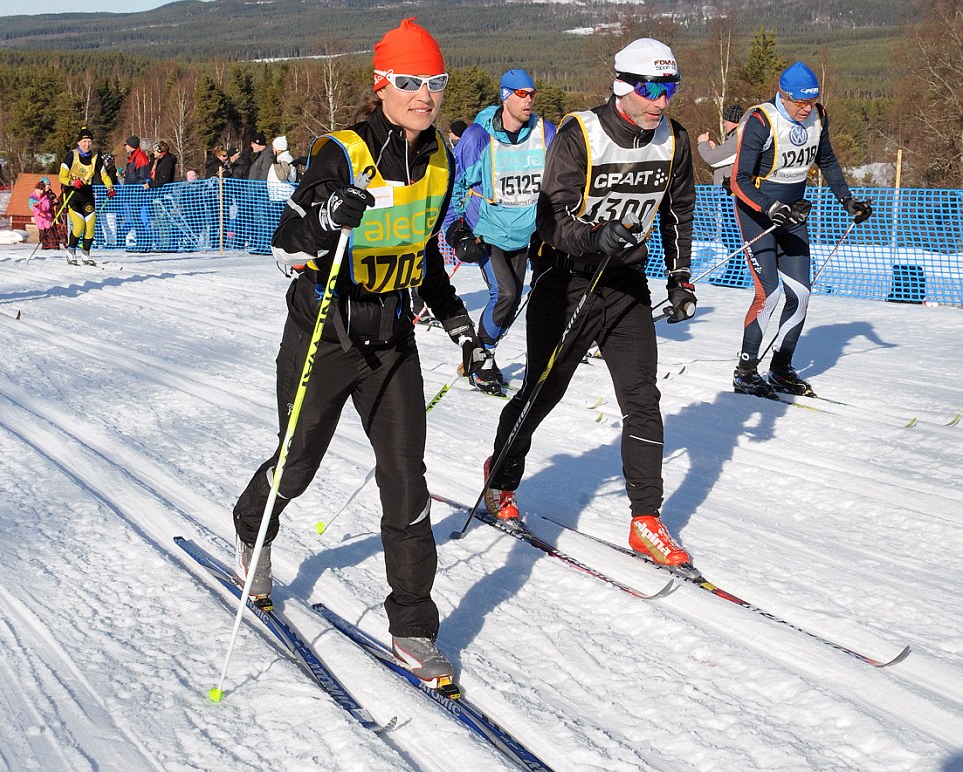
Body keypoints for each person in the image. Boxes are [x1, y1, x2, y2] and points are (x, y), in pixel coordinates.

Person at [232, 17, 487, 690]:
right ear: (382, 86)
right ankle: (251, 529)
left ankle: (412, 626)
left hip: (393, 337)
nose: (424, 95)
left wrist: (463, 328)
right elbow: (286, 245)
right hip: (328, 331)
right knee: (298, 463)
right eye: (409, 82)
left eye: (435, 82)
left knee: (406, 481)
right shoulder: (341, 153)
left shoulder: (441, 158)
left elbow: (426, 257)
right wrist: (324, 219)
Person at [482, 38, 699, 572]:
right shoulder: (582, 133)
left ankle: (645, 519)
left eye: (669, 89)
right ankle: (502, 476)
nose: (661, 102)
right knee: (543, 392)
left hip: (625, 286)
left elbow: (678, 212)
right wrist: (594, 237)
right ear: (624, 85)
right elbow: (549, 218)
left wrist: (680, 279)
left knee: (642, 399)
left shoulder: (674, 140)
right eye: (652, 89)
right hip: (567, 282)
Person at [730, 61, 874, 398]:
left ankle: (780, 368)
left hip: (793, 215)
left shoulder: (817, 116)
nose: (806, 109)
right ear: (783, 95)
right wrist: (770, 207)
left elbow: (827, 160)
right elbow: (738, 180)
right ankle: (746, 372)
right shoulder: (761, 121)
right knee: (770, 294)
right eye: (800, 103)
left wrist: (848, 200)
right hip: (757, 214)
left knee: (802, 294)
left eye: (811, 102)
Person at [444, 69, 557, 395]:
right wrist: (455, 228)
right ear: (506, 96)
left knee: (513, 298)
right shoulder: (477, 137)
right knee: (504, 293)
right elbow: (458, 182)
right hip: (487, 230)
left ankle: (478, 355)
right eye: (521, 94)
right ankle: (482, 361)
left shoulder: (544, 131)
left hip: (526, 231)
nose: (529, 100)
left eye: (532, 93)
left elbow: (561, 177)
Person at [696, 103, 748, 285]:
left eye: (725, 120)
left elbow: (710, 159)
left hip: (731, 194)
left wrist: (702, 143)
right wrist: (715, 147)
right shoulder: (736, 137)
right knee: (730, 233)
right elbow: (722, 160)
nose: (724, 123)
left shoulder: (737, 138)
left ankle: (735, 275)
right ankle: (734, 273)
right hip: (730, 193)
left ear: (732, 121)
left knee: (731, 233)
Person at [58, 126, 116, 265]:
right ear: (78, 143)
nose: (87, 144)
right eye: (84, 142)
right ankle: (71, 252)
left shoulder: (96, 158)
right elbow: (61, 177)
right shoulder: (72, 156)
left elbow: (104, 175)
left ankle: (85, 255)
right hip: (72, 194)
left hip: (87, 195)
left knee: (90, 226)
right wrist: (72, 182)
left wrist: (110, 187)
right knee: (79, 226)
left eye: (89, 141)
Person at [28, 177, 59, 250]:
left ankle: (54, 244)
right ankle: (45, 244)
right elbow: (33, 206)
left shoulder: (50, 194)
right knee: (42, 230)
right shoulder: (35, 196)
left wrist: (54, 203)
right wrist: (39, 211)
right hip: (40, 216)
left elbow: (48, 204)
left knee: (51, 230)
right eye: (46, 185)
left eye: (49, 185)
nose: (48, 186)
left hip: (49, 215)